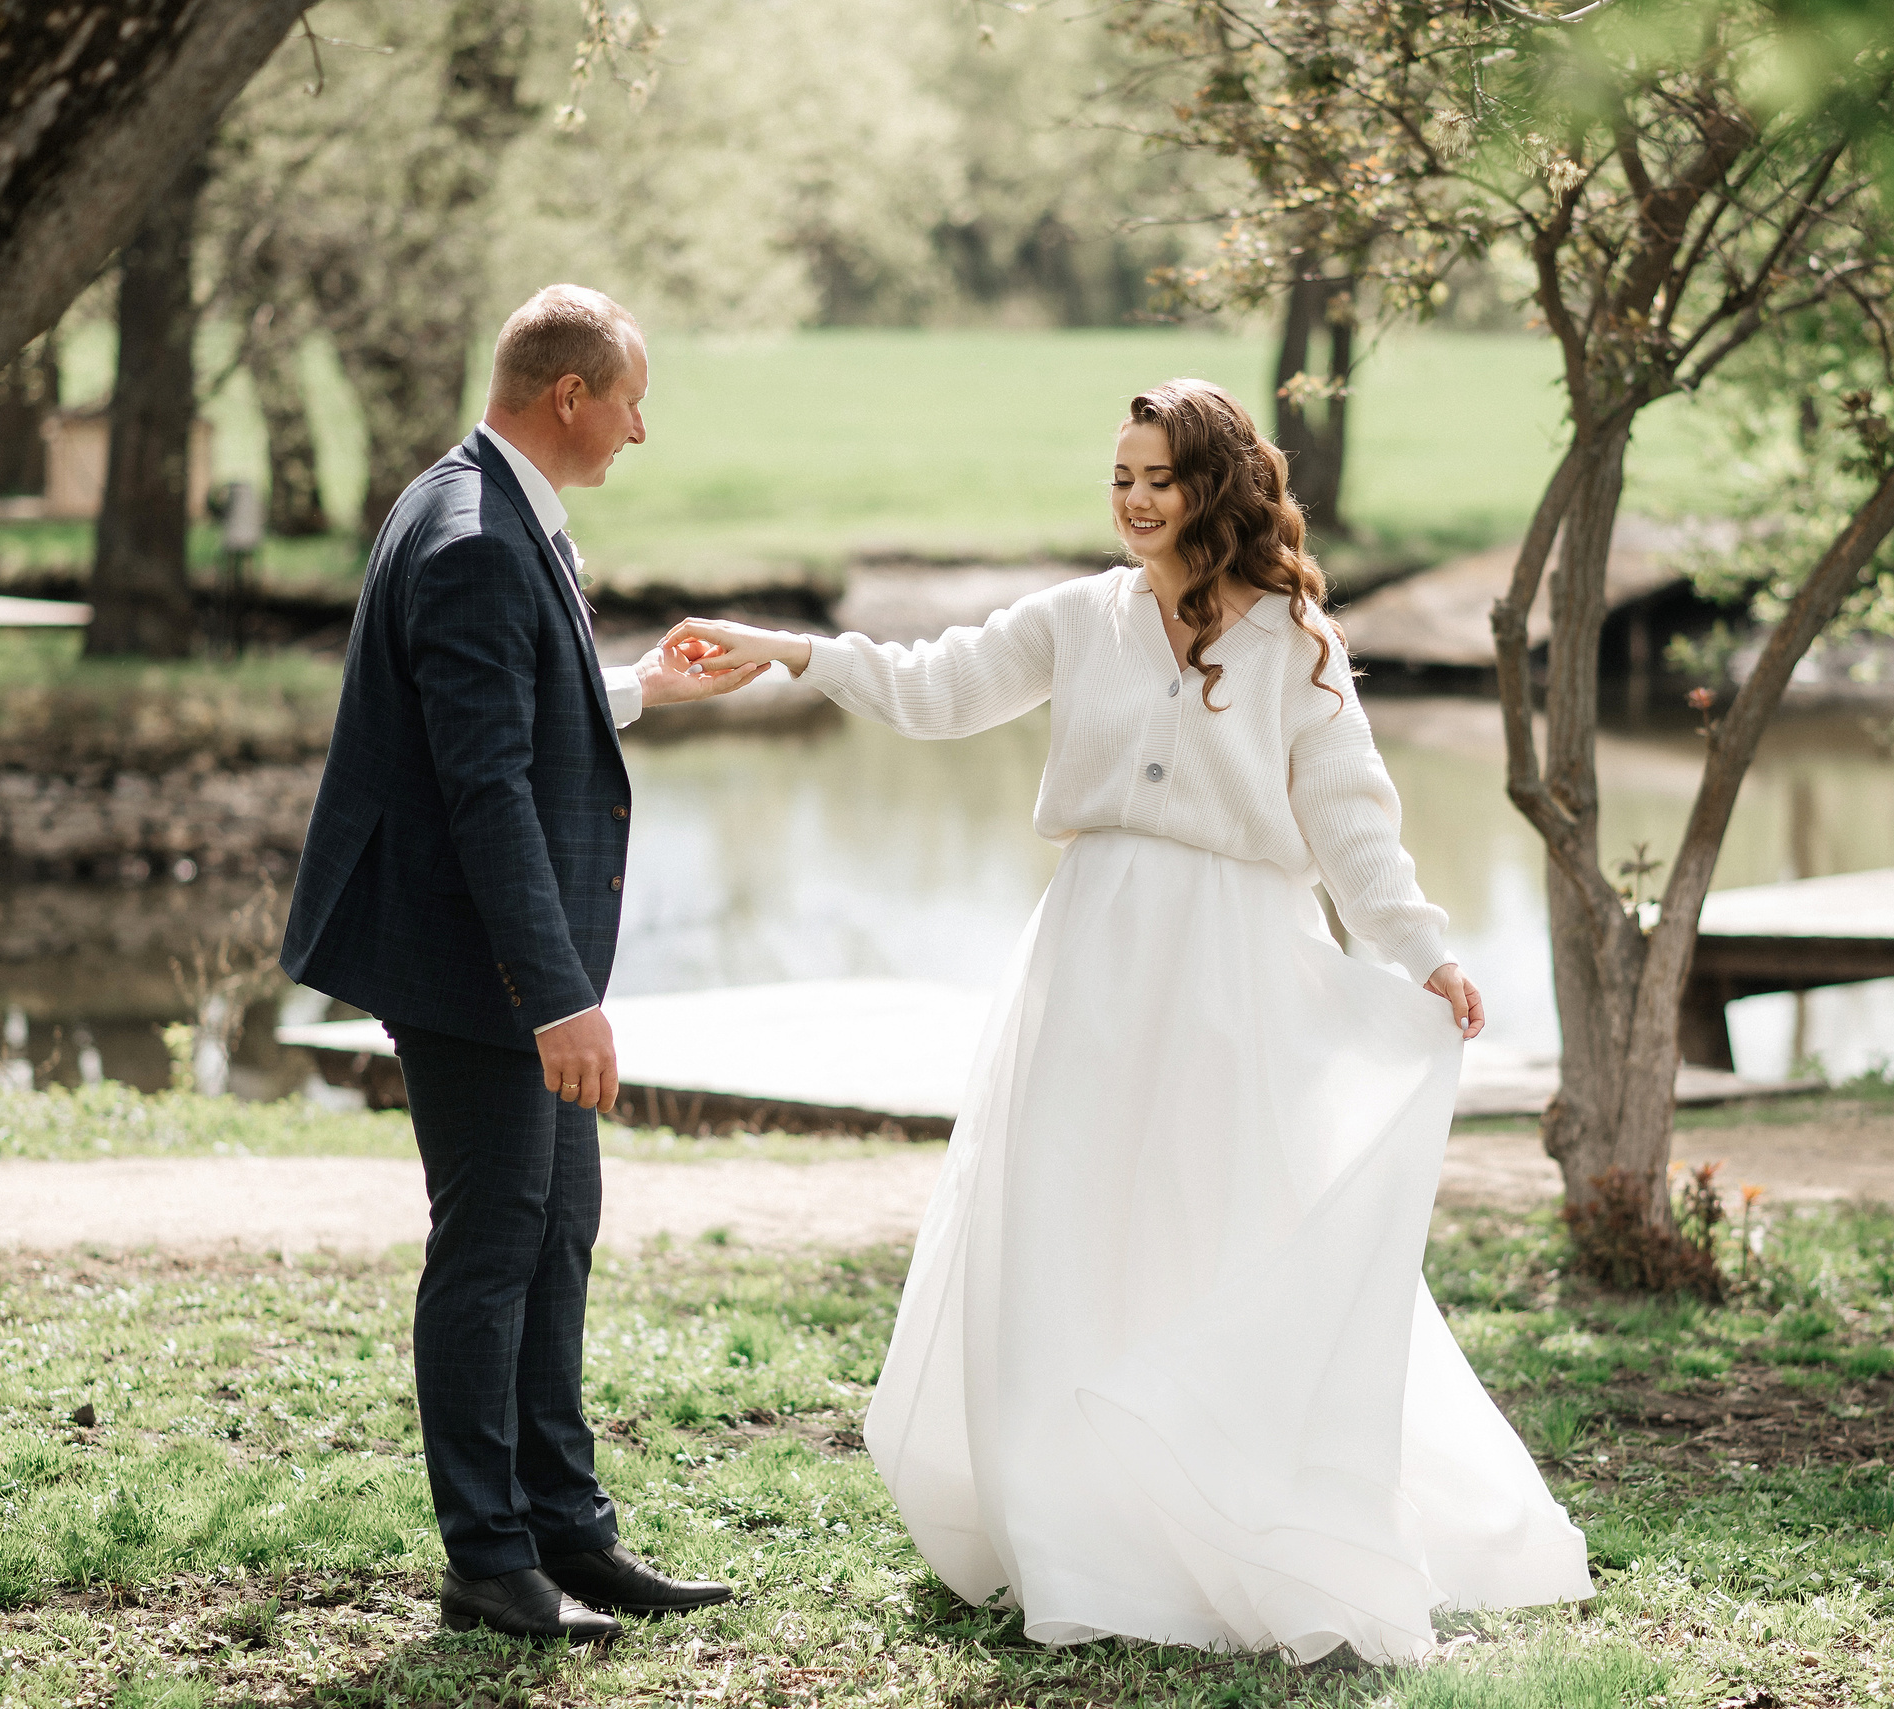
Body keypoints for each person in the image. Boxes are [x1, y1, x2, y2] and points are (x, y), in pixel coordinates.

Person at [662, 378, 1593, 1663]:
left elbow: (1349, 813)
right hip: (1093, 952)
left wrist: (1422, 950)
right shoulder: (1077, 617)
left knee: (1219, 1209)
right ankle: (1075, 1520)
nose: (1135, 500)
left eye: (1158, 478)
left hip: (1236, 961)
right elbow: (935, 686)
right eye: (1120, 478)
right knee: (1069, 1217)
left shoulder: (1288, 639)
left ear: (1212, 490)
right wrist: (789, 650)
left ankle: (1228, 1505)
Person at [280, 285, 763, 1648]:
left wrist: (643, 690)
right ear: (569, 397)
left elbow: (498, 713)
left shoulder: (478, 503)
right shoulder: (480, 534)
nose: (640, 429)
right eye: (630, 400)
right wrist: (556, 992)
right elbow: (482, 785)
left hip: (487, 954)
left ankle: (567, 1532)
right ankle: (489, 1563)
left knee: (555, 1234)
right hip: (476, 965)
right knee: (492, 1248)